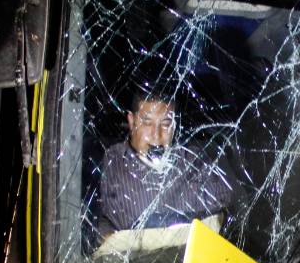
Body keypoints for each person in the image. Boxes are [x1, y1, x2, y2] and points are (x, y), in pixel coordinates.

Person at [98, 90, 237, 243]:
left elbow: (228, 207)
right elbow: (104, 218)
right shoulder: (114, 160)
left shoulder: (194, 160)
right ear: (132, 122)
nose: (156, 136)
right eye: (147, 123)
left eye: (165, 124)